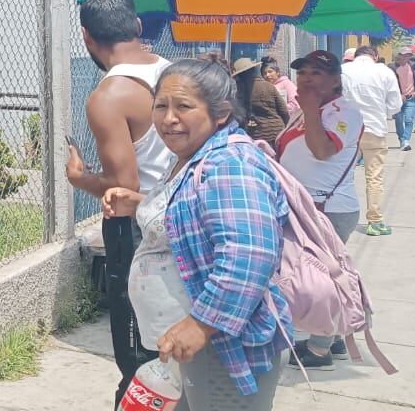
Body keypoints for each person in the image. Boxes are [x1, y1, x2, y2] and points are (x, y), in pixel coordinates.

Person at [103, 56, 292, 410]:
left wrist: (202, 324)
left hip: (220, 346)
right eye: (161, 106)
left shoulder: (230, 164)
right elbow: (197, 212)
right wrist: (141, 203)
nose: (168, 119)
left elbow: (250, 253)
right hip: (188, 345)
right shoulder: (196, 155)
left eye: (183, 107)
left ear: (220, 113)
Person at [65, 0, 173, 405]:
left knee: (138, 354)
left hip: (138, 231)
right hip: (181, 218)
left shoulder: (109, 97)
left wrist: (80, 178)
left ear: (87, 37)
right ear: (139, 27)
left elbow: (122, 189)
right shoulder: (174, 72)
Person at [270, 50, 364, 371]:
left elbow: (322, 151)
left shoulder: (344, 112)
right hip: (306, 207)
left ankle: (320, 349)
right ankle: (332, 336)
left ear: (336, 80)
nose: (307, 78)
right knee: (318, 276)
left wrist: (309, 109)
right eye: (303, 72)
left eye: (317, 73)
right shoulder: (307, 111)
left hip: (328, 209)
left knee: (323, 280)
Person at [341, 46, 402, 236]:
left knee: (342, 176)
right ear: (375, 56)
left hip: (345, 131)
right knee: (374, 177)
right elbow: (395, 105)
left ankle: (339, 218)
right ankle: (374, 221)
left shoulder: (343, 70)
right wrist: (381, 112)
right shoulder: (384, 72)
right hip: (374, 130)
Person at [232, 58, 290, 143]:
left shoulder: (242, 91)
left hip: (258, 134)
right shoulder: (269, 86)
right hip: (278, 131)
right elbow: (284, 111)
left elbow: (240, 115)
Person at [393, 47, 415, 150]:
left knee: (409, 120)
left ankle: (405, 140)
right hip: (398, 98)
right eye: (403, 55)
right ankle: (401, 138)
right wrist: (399, 94)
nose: (405, 57)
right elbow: (392, 84)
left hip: (410, 98)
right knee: (399, 120)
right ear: (399, 56)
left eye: (407, 55)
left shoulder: (413, 67)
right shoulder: (394, 68)